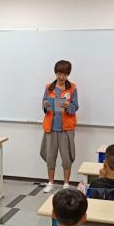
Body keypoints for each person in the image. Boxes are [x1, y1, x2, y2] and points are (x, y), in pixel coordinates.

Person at [40, 60, 79, 193]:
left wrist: (69, 106)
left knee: (66, 157)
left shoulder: (72, 88)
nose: (61, 77)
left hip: (66, 129)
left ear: (68, 75)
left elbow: (75, 107)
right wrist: (45, 105)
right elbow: (44, 104)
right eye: (59, 74)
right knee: (50, 157)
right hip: (51, 128)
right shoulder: (49, 87)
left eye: (64, 74)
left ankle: (66, 183)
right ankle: (50, 182)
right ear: (55, 73)